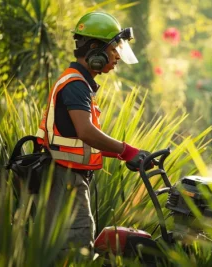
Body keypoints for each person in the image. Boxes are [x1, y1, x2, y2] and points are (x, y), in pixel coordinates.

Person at [34, 12, 151, 256]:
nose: (117, 56)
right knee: (76, 251)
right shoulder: (76, 85)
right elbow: (86, 132)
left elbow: (77, 140)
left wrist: (127, 155)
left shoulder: (78, 82)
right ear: (95, 49)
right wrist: (126, 150)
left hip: (66, 176)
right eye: (114, 49)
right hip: (65, 180)